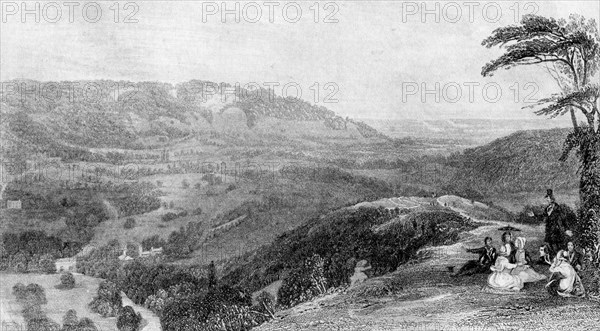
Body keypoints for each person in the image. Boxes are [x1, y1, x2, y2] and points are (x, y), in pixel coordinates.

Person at [529, 189, 575, 254]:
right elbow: (543, 217)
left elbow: (564, 219)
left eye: (548, 198)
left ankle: (558, 261)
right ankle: (552, 261)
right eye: (546, 198)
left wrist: (567, 229)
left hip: (557, 232)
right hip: (549, 232)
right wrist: (534, 215)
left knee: (557, 249)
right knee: (550, 247)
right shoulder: (547, 209)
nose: (547, 200)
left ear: (551, 198)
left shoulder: (558, 208)